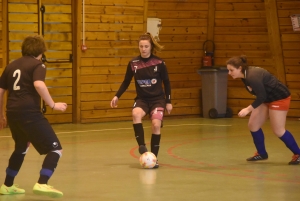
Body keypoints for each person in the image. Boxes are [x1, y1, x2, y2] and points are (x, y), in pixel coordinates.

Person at [0, 35, 67, 197]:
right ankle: (43, 183)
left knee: (21, 147)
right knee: (56, 149)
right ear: (41, 52)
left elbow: (0, 91)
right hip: (29, 113)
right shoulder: (38, 65)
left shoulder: (11, 66)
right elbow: (38, 84)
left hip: (13, 113)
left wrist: (1, 114)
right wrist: (53, 104)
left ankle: (7, 185)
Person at [110, 32, 172, 168]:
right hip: (142, 100)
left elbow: (167, 83)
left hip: (157, 100)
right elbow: (126, 82)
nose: (143, 49)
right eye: (141, 46)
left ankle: (154, 158)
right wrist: (117, 96)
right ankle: (142, 146)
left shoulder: (159, 63)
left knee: (156, 125)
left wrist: (168, 101)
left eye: (146, 46)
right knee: (136, 114)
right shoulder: (133, 63)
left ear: (151, 47)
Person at [226, 55, 300, 165]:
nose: (229, 73)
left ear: (240, 68)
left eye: (231, 70)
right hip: (266, 98)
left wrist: (248, 109)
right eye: (228, 70)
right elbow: (261, 96)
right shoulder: (244, 76)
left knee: (278, 130)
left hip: (279, 98)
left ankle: (298, 153)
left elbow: (261, 96)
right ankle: (261, 153)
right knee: (253, 125)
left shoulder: (252, 76)